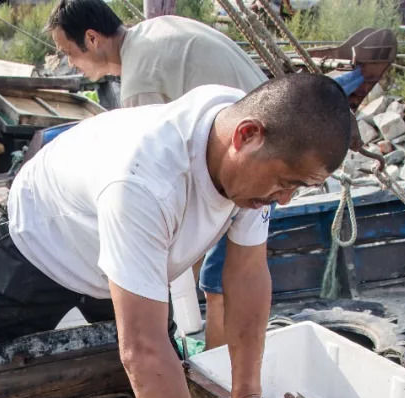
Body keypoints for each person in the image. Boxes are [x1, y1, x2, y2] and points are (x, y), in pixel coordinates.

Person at [0, 74, 353, 398]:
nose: (285, 198)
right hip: (41, 241)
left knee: (154, 383)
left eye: (298, 188)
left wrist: (248, 394)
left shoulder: (253, 146)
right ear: (246, 136)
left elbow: (248, 277)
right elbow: (142, 349)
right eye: (285, 183)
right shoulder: (146, 179)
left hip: (139, 257)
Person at [46, 0, 267, 348]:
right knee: (206, 266)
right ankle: (198, 345)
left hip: (255, 162)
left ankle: (214, 381)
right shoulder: (153, 33)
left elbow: (151, 185)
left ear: (91, 38)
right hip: (266, 138)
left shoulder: (139, 83)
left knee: (221, 284)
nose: (69, 63)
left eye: (67, 52)